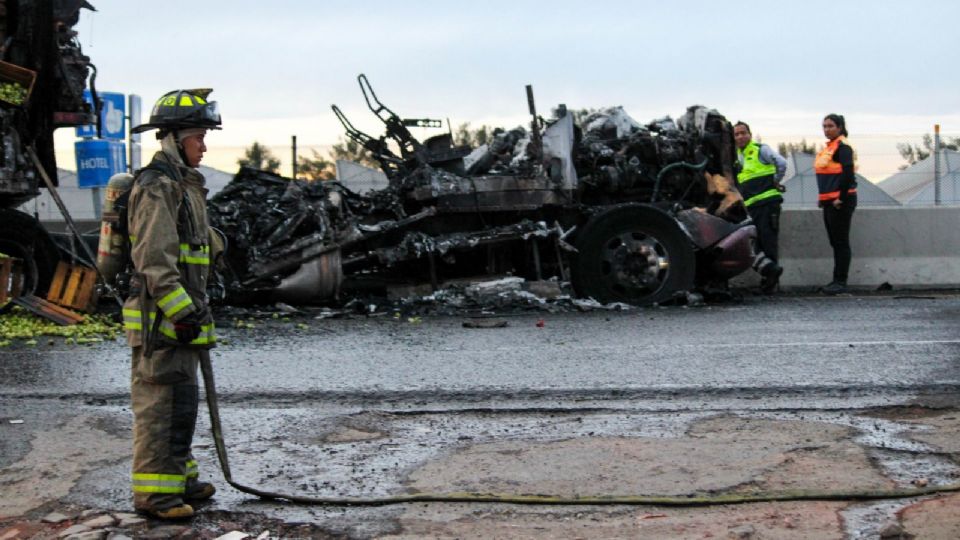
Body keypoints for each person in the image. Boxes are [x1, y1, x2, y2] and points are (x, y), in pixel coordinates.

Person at [124, 89, 222, 519]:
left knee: (181, 401)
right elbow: (154, 258)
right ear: (174, 138)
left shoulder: (184, 186)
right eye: (199, 137)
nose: (204, 145)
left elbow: (193, 247)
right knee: (160, 404)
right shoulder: (157, 187)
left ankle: (179, 480)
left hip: (181, 315)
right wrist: (181, 311)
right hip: (161, 318)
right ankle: (155, 496)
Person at [734, 121, 786, 293]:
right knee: (754, 244)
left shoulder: (760, 150)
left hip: (767, 204)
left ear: (750, 134)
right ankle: (769, 275)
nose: (741, 137)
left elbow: (781, 163)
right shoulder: (737, 157)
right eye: (737, 134)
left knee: (768, 242)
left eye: (743, 133)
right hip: (751, 207)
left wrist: (775, 181)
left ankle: (771, 285)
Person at [814, 114, 857, 295]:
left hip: (840, 202)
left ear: (839, 127)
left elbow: (848, 174)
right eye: (824, 126)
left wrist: (841, 197)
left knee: (840, 242)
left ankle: (840, 281)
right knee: (835, 241)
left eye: (830, 126)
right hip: (829, 201)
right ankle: (836, 280)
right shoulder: (829, 148)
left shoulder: (843, 148)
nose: (826, 129)